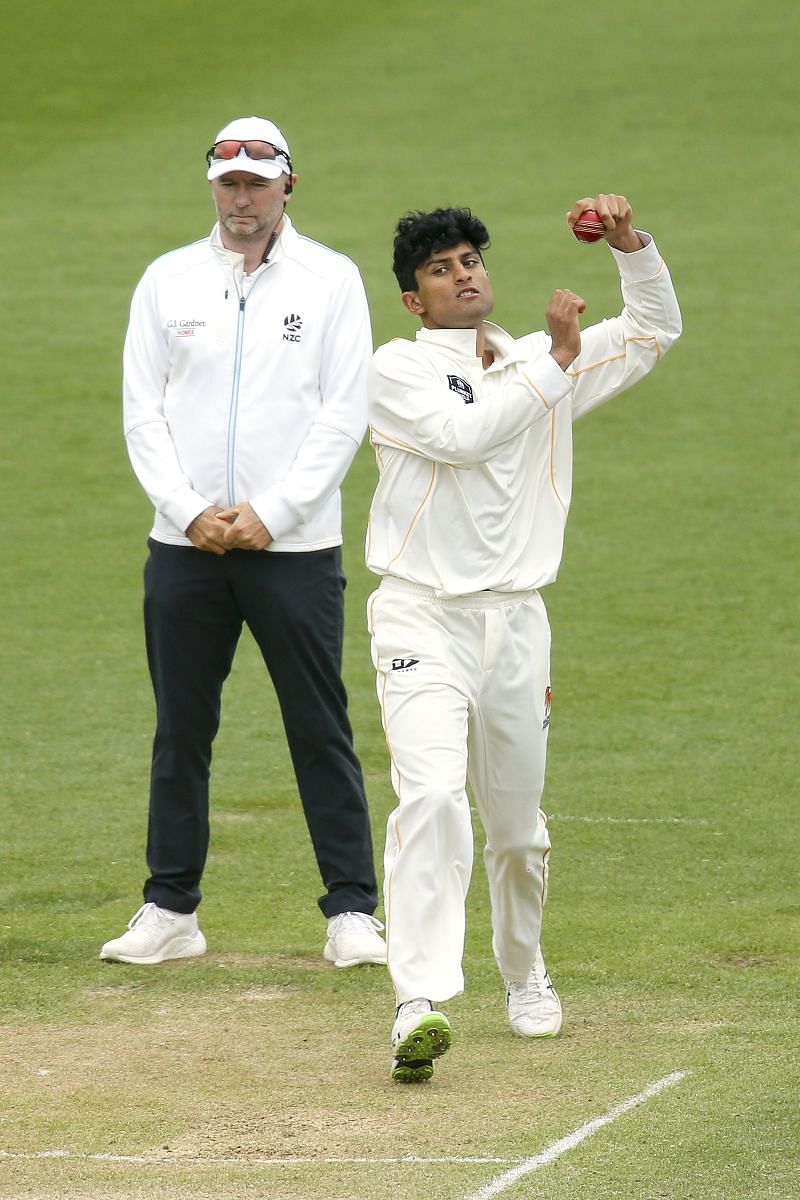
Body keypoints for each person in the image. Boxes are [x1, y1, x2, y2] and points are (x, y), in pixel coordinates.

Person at [365, 196, 681, 1081]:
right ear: (415, 300)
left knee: (515, 834)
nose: (463, 274)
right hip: (421, 614)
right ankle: (418, 1000)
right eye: (441, 269)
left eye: (470, 259)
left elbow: (656, 329)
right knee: (430, 799)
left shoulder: (541, 358)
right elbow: (464, 440)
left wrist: (631, 247)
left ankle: (524, 971)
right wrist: (559, 367)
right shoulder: (396, 369)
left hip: (517, 623)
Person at [101, 116, 386, 970]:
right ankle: (170, 907)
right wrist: (189, 511)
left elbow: (344, 412)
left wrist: (275, 510)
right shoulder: (167, 280)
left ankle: (351, 912)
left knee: (318, 725)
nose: (242, 198)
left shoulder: (332, 280)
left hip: (293, 549)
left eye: (258, 183)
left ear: (287, 186)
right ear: (213, 186)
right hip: (184, 547)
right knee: (181, 729)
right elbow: (141, 409)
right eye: (229, 182)